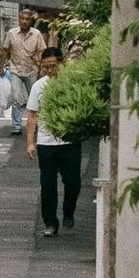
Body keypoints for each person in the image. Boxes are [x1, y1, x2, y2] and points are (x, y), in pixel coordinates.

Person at [25, 47, 83, 237]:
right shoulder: (38, 86)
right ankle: (50, 222)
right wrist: (30, 142)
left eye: (53, 66)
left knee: (73, 182)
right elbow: (32, 115)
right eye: (46, 67)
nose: (50, 70)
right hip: (46, 143)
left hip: (69, 141)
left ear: (62, 63)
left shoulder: (73, 83)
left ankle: (68, 211)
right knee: (48, 185)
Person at [0, 10, 47, 135]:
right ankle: (16, 126)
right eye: (22, 18)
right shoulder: (11, 33)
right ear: (19, 19)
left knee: (35, 97)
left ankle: (36, 124)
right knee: (16, 99)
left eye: (27, 19)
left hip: (32, 70)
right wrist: (1, 66)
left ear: (31, 21)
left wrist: (43, 68)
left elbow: (42, 51)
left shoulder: (36, 34)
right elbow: (5, 49)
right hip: (16, 70)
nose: (24, 21)